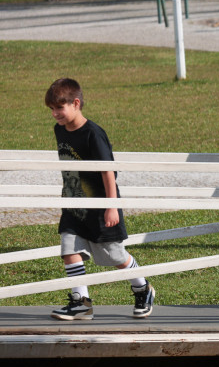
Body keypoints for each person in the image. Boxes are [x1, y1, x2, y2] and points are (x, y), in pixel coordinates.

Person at [44, 78, 155, 321]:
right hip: (74, 204)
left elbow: (108, 171)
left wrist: (111, 206)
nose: (54, 114)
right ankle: (81, 301)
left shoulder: (93, 134)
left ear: (76, 103)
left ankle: (143, 288)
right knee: (69, 249)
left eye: (59, 108)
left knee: (113, 255)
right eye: (51, 109)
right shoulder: (60, 130)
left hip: (101, 205)